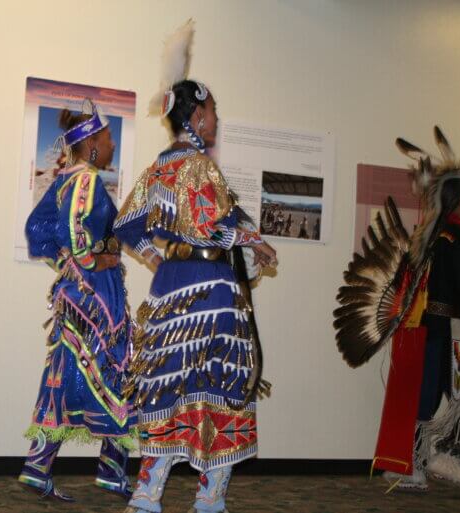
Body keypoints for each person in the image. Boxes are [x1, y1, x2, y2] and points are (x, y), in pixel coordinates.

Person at [114, 21, 277, 513]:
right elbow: (214, 225)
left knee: (167, 385)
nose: (216, 120)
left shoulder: (159, 167)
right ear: (197, 115)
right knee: (221, 386)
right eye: (213, 112)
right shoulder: (202, 165)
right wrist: (255, 242)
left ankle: (147, 494)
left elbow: (126, 226)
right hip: (210, 294)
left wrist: (157, 256)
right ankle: (211, 498)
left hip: (169, 294)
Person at [334, 126, 460, 493]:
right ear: (458, 204)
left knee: (423, 397)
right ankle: (447, 457)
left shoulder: (429, 237)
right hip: (452, 329)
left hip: (421, 329)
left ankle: (414, 465)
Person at [19, 100, 136, 502]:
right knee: (116, 370)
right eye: (108, 138)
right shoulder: (85, 178)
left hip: (79, 294)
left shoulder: (65, 179)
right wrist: (92, 260)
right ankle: (111, 472)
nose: (113, 145)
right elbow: (72, 227)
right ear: (90, 146)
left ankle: (40, 467)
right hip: (96, 298)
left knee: (67, 374)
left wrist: (66, 264)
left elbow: (37, 228)